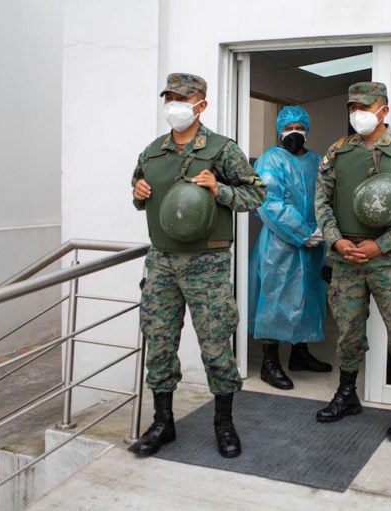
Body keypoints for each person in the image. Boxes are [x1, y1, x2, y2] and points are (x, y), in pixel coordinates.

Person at [129, 73, 266, 458]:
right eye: (169, 98)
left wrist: (218, 189)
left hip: (206, 263)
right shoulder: (153, 151)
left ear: (201, 105)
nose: (174, 105)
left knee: (216, 344)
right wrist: (138, 193)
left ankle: (224, 424)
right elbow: (139, 190)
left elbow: (256, 194)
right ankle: (162, 423)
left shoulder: (222, 150)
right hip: (162, 262)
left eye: (182, 99)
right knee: (159, 342)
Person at [314, 82, 391, 441]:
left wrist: (381, 246)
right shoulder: (338, 151)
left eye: (364, 107)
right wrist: (336, 239)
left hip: (389, 261)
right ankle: (347, 395)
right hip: (346, 258)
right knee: (348, 331)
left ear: (383, 111)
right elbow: (322, 201)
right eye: (352, 107)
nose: (357, 115)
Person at [248, 105, 331, 391]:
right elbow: (270, 203)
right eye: (288, 126)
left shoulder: (318, 161)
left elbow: (327, 197)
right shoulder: (271, 160)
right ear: (279, 129)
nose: (294, 132)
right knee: (276, 299)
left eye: (299, 126)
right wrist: (302, 232)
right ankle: (269, 363)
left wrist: (320, 232)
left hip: (314, 242)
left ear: (307, 130)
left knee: (309, 297)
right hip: (280, 245)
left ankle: (300, 354)